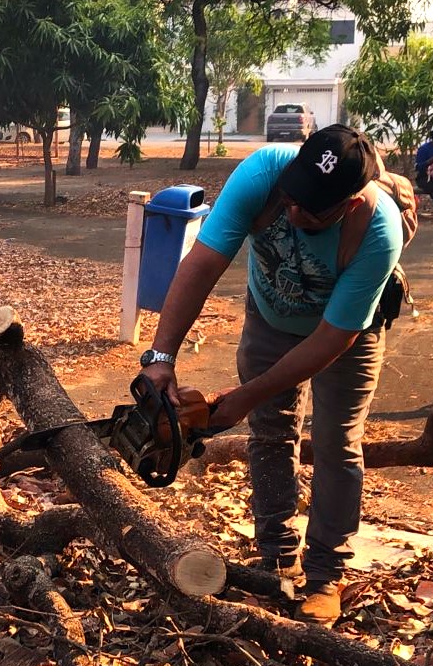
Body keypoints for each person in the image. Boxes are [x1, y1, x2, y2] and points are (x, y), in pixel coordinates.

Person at [138, 125, 414, 625]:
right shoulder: (264, 173)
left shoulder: (377, 230)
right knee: (270, 433)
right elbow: (201, 264)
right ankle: (276, 556)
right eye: (291, 196)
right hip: (270, 316)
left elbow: (332, 340)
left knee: (336, 442)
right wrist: (161, 356)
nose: (291, 212)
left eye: (309, 210)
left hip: (347, 334)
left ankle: (326, 572)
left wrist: (245, 395)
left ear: (347, 206)